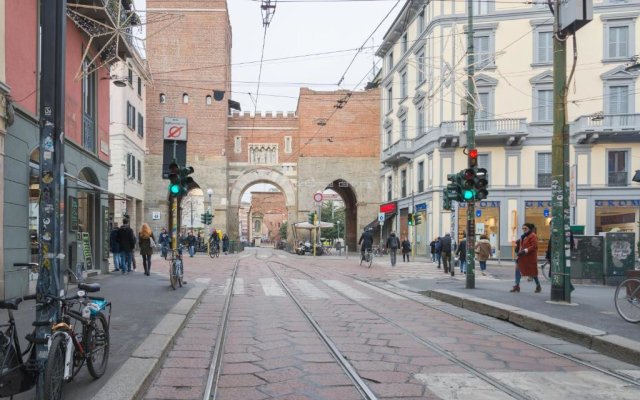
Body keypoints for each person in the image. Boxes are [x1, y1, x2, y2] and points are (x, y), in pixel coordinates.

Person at [511, 222, 541, 293]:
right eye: (523, 228)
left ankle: (538, 285)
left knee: (532, 272)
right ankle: (517, 285)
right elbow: (522, 245)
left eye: (525, 228)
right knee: (517, 270)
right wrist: (519, 244)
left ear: (529, 228)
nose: (524, 230)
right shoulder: (523, 236)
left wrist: (525, 250)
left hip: (529, 257)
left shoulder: (533, 235)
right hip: (522, 257)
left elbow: (534, 246)